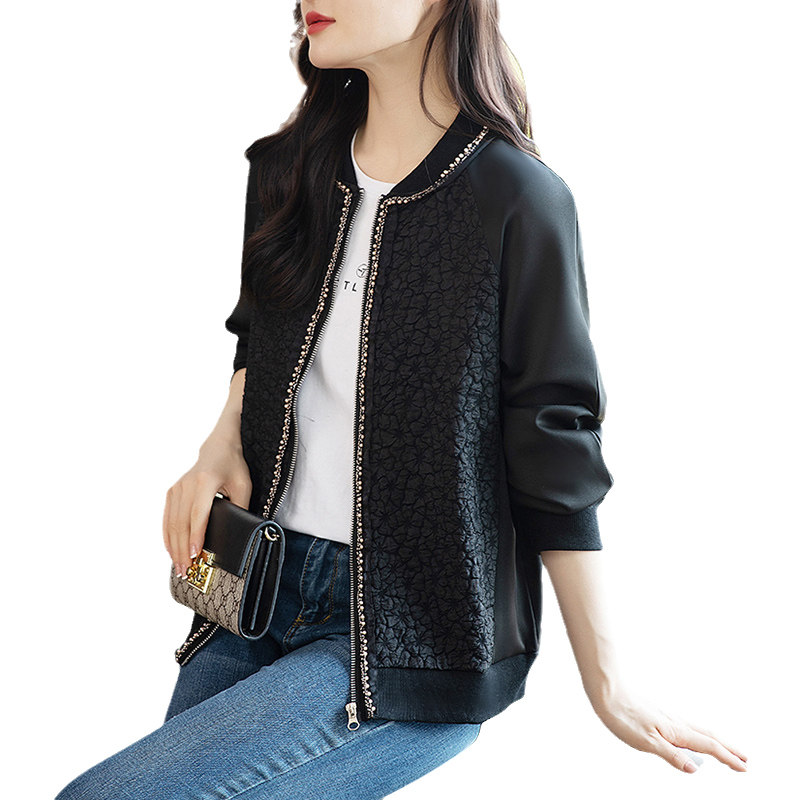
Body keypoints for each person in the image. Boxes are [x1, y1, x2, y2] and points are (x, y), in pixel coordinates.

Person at [54, 1, 748, 798]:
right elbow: (258, 337)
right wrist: (219, 447)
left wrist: (608, 681)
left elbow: (552, 437)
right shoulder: (288, 169)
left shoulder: (516, 198)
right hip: (255, 590)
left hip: (410, 633)